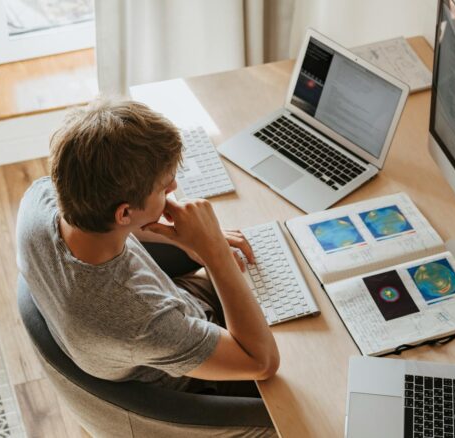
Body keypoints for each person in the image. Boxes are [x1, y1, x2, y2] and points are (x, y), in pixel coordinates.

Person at [15, 97, 279, 402]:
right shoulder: (141, 319)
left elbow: (110, 218)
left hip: (169, 314)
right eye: (164, 186)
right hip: (203, 379)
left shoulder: (40, 199)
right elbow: (262, 363)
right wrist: (215, 253)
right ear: (125, 214)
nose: (174, 188)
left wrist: (191, 238)